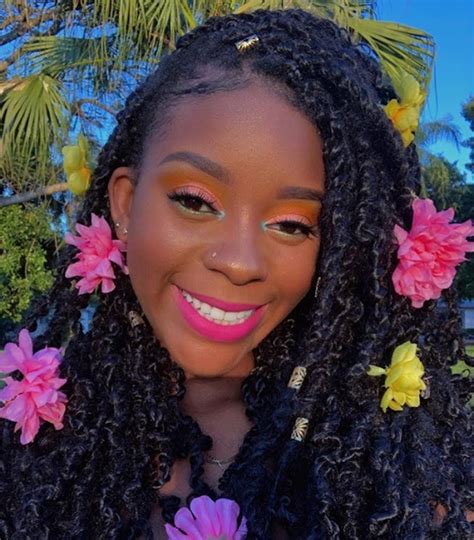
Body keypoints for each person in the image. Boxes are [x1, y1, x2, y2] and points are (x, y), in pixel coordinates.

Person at [0, 8, 472, 539]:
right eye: (195, 202)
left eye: (293, 225)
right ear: (125, 205)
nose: (241, 261)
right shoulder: (23, 429)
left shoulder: (398, 477)